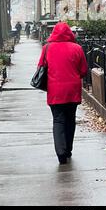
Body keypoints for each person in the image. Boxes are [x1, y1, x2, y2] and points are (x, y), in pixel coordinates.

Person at [37, 22, 88, 165]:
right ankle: (68, 149)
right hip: (72, 91)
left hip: (55, 92)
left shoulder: (47, 48)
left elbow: (41, 66)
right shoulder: (77, 48)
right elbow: (84, 70)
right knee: (71, 119)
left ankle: (61, 153)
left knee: (58, 120)